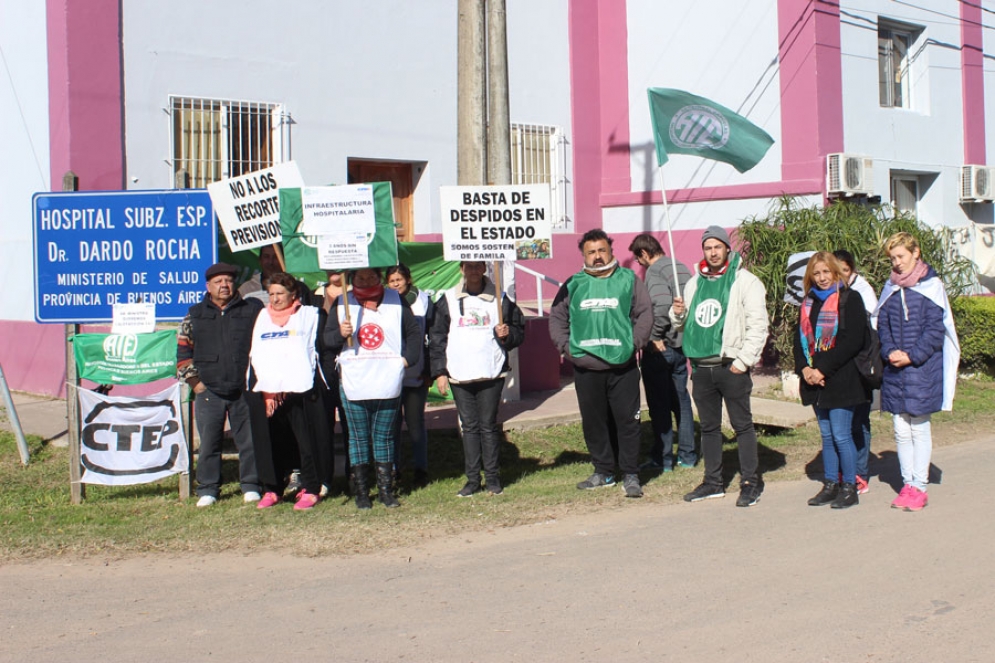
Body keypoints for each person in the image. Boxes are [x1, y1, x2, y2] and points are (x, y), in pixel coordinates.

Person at [549, 229, 652, 498]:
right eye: (591, 252)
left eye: (602, 250)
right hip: (586, 368)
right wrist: (568, 348)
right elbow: (557, 318)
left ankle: (630, 474)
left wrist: (634, 344)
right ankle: (603, 471)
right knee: (594, 423)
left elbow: (644, 314)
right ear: (584, 255)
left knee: (628, 422)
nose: (597, 256)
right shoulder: (573, 284)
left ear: (611, 251)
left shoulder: (628, 279)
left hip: (623, 367)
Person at [671, 225, 769, 507]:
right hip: (701, 368)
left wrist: (743, 361)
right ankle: (713, 482)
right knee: (710, 428)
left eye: (717, 246)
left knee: (742, 426)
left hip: (731, 366)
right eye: (707, 247)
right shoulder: (693, 283)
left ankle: (751, 482)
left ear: (727, 248)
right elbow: (683, 324)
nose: (713, 252)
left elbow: (757, 325)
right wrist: (676, 314)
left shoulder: (745, 281)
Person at [324, 268, 422, 509]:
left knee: (384, 437)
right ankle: (361, 492)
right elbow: (325, 341)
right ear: (352, 279)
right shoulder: (341, 303)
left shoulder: (395, 299)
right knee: (358, 438)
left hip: (387, 379)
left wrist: (406, 360)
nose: (366, 281)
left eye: (371, 277)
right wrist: (340, 334)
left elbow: (412, 332)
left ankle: (386, 490)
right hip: (354, 380)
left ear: (379, 278)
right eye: (360, 277)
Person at [875, 232, 959, 511]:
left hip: (921, 370)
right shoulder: (891, 286)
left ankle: (919, 487)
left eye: (901, 256)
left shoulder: (931, 287)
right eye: (893, 258)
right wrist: (889, 352)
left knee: (919, 428)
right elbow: (882, 324)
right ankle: (907, 484)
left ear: (915, 253)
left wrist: (912, 356)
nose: (897, 263)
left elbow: (936, 329)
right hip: (895, 370)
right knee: (900, 429)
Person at [430, 261, 526, 497]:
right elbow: (437, 337)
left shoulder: (500, 299)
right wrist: (440, 372)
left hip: (491, 372)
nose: (473, 270)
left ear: (484, 268)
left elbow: (518, 331)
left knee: (488, 426)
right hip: (459, 374)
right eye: (468, 266)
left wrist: (508, 334)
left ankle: (493, 478)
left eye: (478, 266)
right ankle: (473, 480)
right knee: (469, 427)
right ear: (462, 268)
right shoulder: (448, 299)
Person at [176, 262, 264, 507]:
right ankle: (208, 488)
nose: (224, 286)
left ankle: (251, 485)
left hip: (243, 388)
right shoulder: (195, 313)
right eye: (218, 282)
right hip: (209, 389)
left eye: (228, 281)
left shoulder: (252, 309)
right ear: (208, 286)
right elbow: (183, 351)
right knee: (209, 442)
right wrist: (196, 383)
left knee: (249, 441)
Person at [248, 272, 331, 511]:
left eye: (280, 294)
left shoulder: (310, 315)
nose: (275, 299)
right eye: (271, 294)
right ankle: (272, 489)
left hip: (302, 390)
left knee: (306, 443)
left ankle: (311, 488)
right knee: (272, 443)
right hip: (269, 393)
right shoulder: (262, 316)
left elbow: (321, 350)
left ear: (293, 295)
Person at [793, 252, 870, 509]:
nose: (822, 278)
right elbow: (799, 340)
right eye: (817, 273)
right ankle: (830, 484)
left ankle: (850, 486)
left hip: (841, 378)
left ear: (836, 271)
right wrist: (804, 369)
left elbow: (852, 342)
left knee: (841, 434)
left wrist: (822, 369)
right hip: (814, 381)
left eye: (826, 272)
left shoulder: (850, 299)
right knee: (826, 435)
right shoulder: (808, 302)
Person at [628, 233, 695, 472]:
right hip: (681, 344)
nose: (640, 265)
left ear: (644, 254)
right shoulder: (680, 266)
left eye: (638, 260)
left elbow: (662, 304)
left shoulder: (655, 272)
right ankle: (687, 455)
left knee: (659, 404)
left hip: (662, 346)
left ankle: (663, 459)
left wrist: (654, 335)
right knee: (681, 402)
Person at [386, 263, 434, 489]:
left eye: (399, 279)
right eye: (391, 280)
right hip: (390, 375)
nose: (396, 284)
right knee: (392, 426)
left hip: (417, 374)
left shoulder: (423, 300)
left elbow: (432, 337)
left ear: (408, 279)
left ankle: (421, 469)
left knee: (415, 424)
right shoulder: (383, 301)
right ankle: (393, 470)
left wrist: (429, 371)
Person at [833, 249, 877, 494]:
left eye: (845, 271)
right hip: (841, 367)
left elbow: (868, 330)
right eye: (836, 270)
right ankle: (844, 470)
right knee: (842, 424)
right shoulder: (831, 293)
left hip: (861, 366)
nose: (841, 276)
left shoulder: (862, 292)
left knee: (859, 421)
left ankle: (859, 472)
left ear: (853, 271)